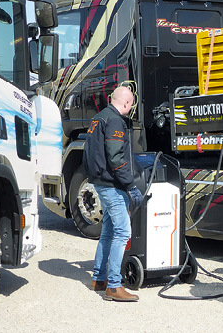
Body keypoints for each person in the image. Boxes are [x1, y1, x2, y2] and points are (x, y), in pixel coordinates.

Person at [83, 86, 143, 302]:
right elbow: (116, 158)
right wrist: (130, 185)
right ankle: (114, 286)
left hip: (100, 181)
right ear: (126, 103)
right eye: (131, 104)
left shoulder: (98, 118)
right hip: (111, 185)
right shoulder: (115, 121)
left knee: (108, 231)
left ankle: (99, 279)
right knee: (122, 232)